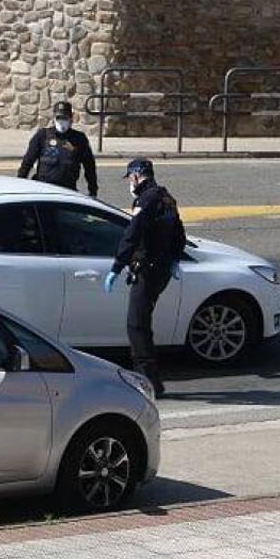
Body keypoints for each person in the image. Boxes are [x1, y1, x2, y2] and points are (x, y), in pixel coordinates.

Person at [103, 158, 187, 398]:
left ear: (137, 175)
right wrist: (174, 259)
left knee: (137, 325)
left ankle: (148, 383)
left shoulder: (146, 200)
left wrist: (117, 266)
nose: (129, 183)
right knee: (142, 323)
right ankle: (149, 379)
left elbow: (133, 232)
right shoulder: (166, 197)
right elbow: (179, 233)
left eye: (130, 177)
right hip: (160, 269)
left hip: (148, 269)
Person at [17, 101, 99, 196]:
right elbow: (28, 162)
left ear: (71, 119)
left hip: (67, 191)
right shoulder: (42, 136)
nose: (61, 121)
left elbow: (89, 166)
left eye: (65, 118)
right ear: (54, 119)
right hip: (43, 189)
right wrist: (19, 185)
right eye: (59, 118)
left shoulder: (79, 139)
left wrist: (93, 191)